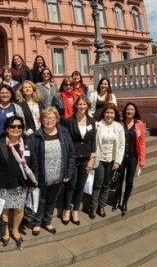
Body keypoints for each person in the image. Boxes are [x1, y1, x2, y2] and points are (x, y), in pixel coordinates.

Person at [0, 116, 38, 249]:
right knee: (4, 209)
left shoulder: (27, 143)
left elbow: (34, 162)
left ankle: (15, 229)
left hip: (22, 183)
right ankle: (5, 231)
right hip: (4, 183)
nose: (16, 129)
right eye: (12, 126)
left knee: (18, 208)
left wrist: (33, 182)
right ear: (6, 129)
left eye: (19, 126)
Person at [30, 107, 75, 236]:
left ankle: (47, 221)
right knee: (41, 200)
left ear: (56, 119)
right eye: (46, 118)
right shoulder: (36, 137)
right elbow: (31, 159)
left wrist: (68, 172)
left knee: (53, 200)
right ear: (41, 120)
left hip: (59, 175)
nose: (49, 120)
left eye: (52, 118)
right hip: (42, 176)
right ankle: (37, 223)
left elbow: (71, 154)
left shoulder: (64, 133)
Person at [62, 96, 96, 225]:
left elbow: (93, 141)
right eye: (80, 104)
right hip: (72, 158)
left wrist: (92, 159)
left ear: (87, 106)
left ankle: (75, 210)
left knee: (80, 185)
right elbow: (66, 141)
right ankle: (66, 210)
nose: (82, 106)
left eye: (84, 104)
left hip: (86, 158)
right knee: (70, 185)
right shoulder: (68, 121)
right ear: (76, 106)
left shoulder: (91, 121)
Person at [89, 103, 125, 219]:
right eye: (107, 112)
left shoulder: (118, 127)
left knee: (107, 184)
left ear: (115, 114)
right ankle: (93, 207)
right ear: (103, 113)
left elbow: (122, 145)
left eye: (112, 113)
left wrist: (118, 161)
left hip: (112, 160)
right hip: (100, 159)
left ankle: (101, 206)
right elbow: (93, 143)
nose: (109, 115)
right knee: (98, 183)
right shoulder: (98, 125)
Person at [114, 102, 146, 216]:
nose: (130, 111)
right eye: (128, 109)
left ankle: (125, 202)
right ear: (125, 111)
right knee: (119, 179)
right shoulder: (120, 124)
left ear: (135, 111)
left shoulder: (139, 124)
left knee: (129, 181)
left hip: (133, 157)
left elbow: (142, 143)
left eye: (132, 110)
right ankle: (117, 200)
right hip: (121, 157)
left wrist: (142, 160)